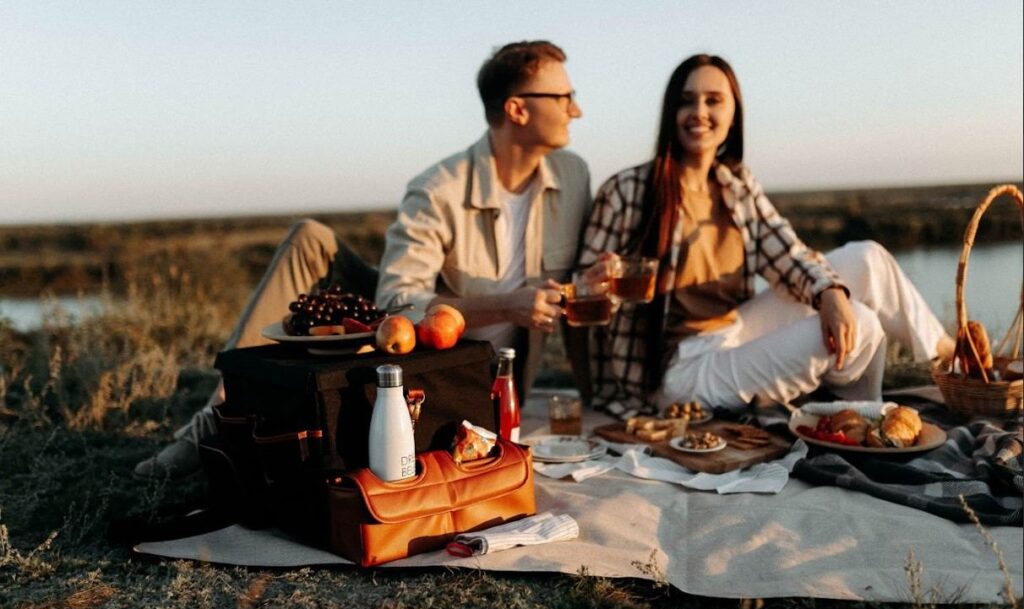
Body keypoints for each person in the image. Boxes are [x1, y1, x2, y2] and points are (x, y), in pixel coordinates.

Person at [135, 40, 590, 479]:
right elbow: (398, 302)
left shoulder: (574, 176)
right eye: (565, 96)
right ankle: (217, 417)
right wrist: (509, 304)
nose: (576, 108)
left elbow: (576, 286)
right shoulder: (439, 188)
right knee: (310, 239)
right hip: (421, 353)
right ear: (517, 109)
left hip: (483, 373)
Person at [573, 54, 954, 418]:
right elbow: (581, 296)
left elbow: (788, 254)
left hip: (734, 331)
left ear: (732, 112)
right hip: (677, 369)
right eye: (687, 101)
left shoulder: (736, 183)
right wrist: (596, 287)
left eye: (714, 101)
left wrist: (829, 294)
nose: (700, 113)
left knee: (866, 258)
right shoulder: (629, 191)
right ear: (671, 112)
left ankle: (954, 362)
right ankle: (852, 413)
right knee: (863, 323)